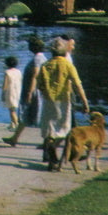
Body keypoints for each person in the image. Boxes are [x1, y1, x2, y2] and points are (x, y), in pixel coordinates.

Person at [37, 38, 90, 170]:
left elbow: (40, 85)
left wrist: (46, 93)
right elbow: (77, 84)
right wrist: (84, 102)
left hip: (49, 101)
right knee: (64, 129)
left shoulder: (45, 65)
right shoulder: (67, 65)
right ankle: (55, 149)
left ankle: (51, 158)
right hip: (64, 100)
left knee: (50, 130)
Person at [1, 56, 22, 131]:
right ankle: (12, 124)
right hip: (18, 91)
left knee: (11, 110)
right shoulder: (18, 71)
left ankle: (16, 124)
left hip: (10, 92)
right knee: (14, 108)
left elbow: (5, 84)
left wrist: (3, 94)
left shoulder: (7, 72)